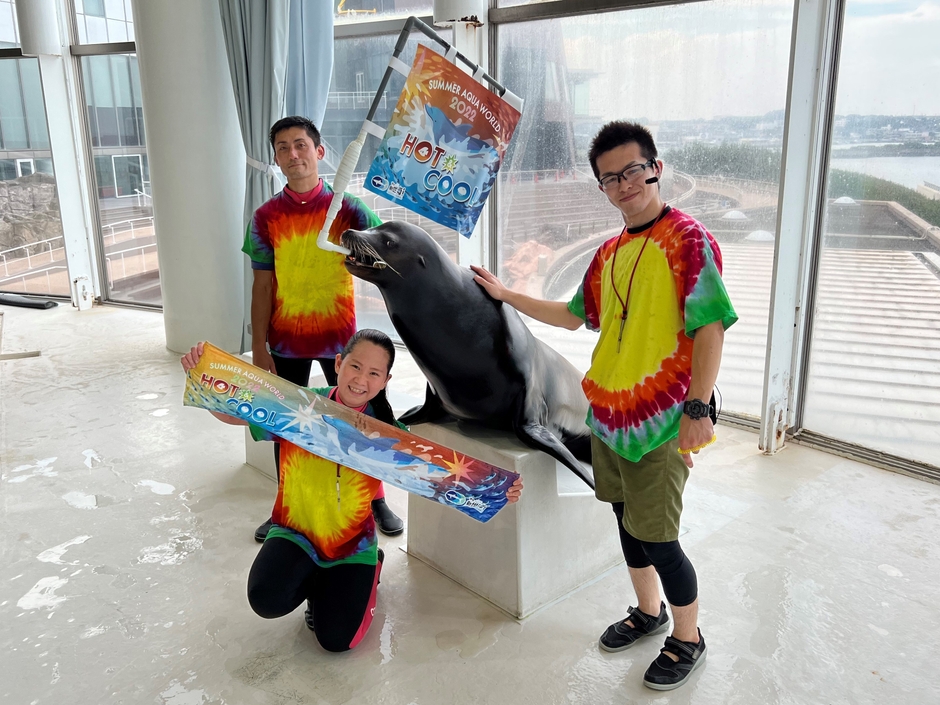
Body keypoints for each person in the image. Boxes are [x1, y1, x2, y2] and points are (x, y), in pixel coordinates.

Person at [471, 121, 737, 691]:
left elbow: (710, 327)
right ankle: (648, 611)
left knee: (660, 539)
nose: (623, 185)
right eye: (609, 178)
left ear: (656, 168)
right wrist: (506, 295)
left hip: (661, 423)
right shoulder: (609, 252)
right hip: (609, 417)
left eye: (632, 170)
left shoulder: (688, 240)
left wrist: (697, 410)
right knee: (626, 523)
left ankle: (688, 638)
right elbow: (572, 316)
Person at [182, 330, 522, 651]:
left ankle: (370, 569)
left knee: (337, 641)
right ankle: (315, 581)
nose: (361, 379)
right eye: (355, 366)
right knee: (266, 600)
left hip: (351, 546)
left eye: (374, 373)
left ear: (386, 381)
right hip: (294, 531)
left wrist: (497, 490)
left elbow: (446, 478)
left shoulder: (389, 434)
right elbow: (235, 413)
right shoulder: (298, 405)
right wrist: (201, 375)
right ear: (338, 363)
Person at [242, 115, 403, 541]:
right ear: (276, 158)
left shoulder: (349, 209)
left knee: (366, 421)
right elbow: (262, 285)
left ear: (319, 151)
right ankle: (286, 507)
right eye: (282, 148)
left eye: (300, 145)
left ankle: (375, 499)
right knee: (284, 427)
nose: (292, 154)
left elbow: (387, 255)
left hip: (342, 343)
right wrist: (258, 346)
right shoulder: (265, 217)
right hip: (285, 342)